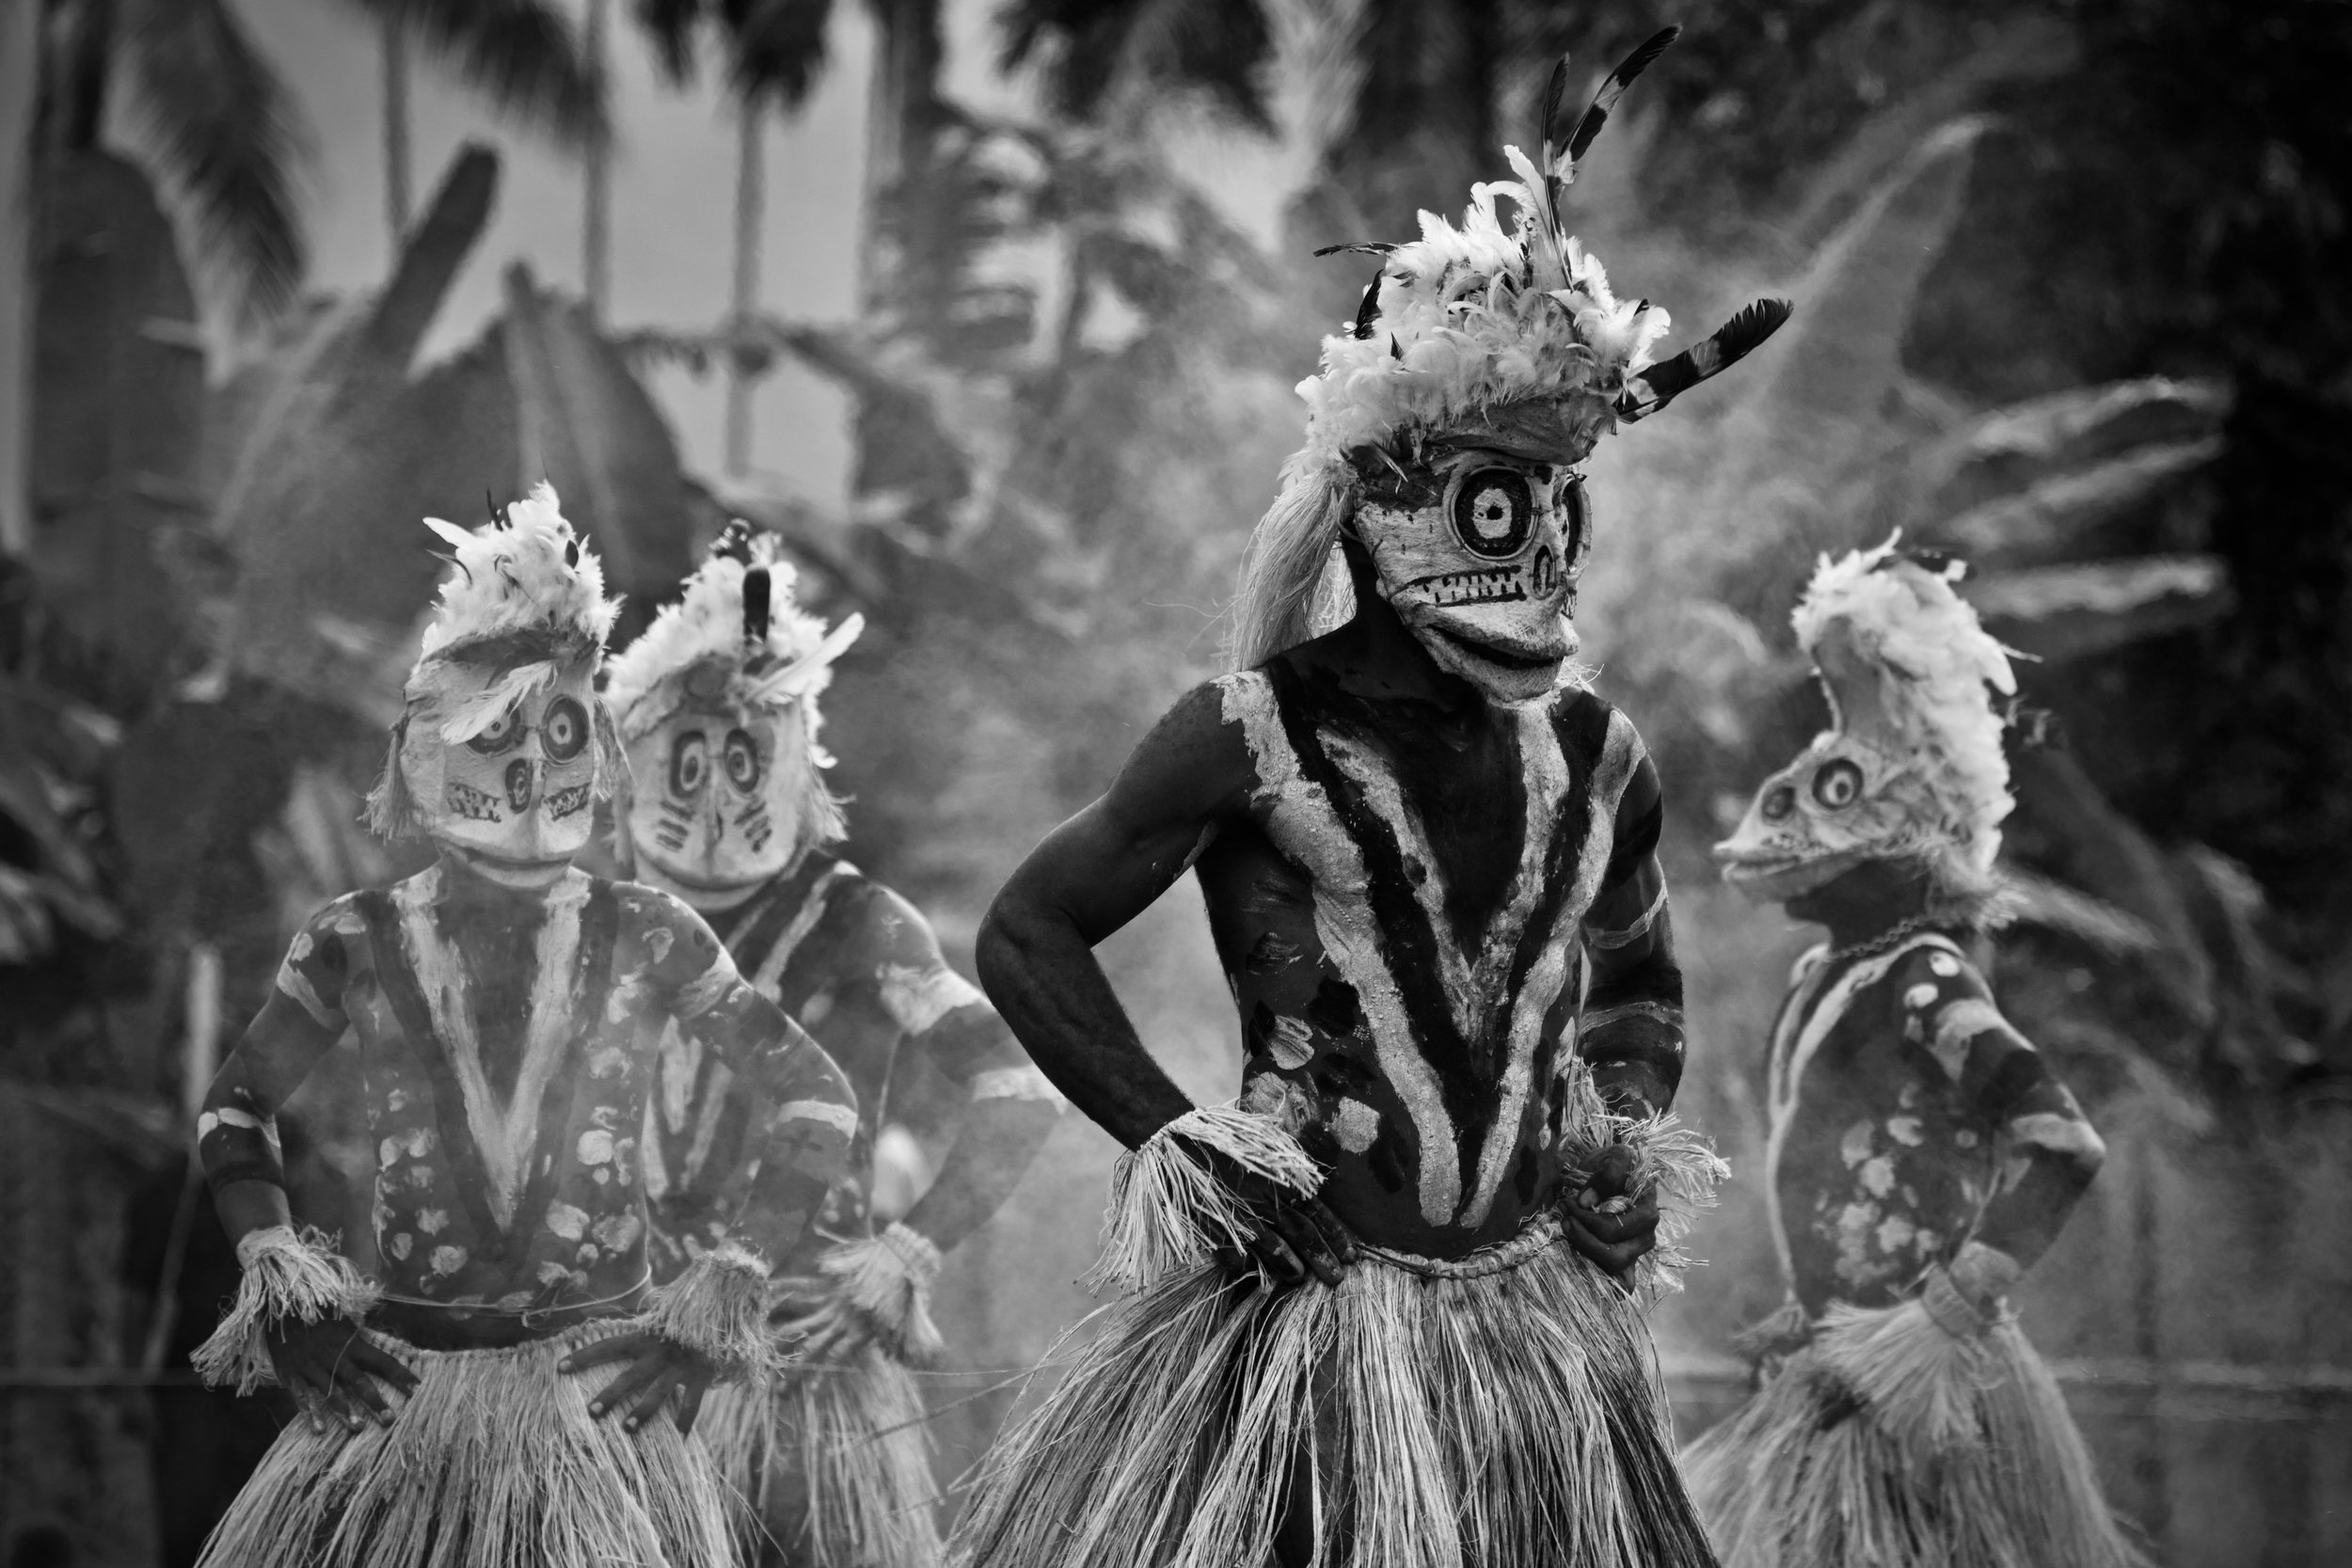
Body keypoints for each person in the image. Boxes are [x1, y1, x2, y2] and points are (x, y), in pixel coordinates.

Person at [953, 30, 1789, 1568]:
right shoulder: (1247, 733)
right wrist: (1181, 1142)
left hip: (1537, 1348)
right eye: (1497, 498)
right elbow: (1026, 931)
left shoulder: (1598, 757)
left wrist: (1618, 1145)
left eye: (1556, 501)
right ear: (1381, 498)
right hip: (1306, 1340)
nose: (1539, 545)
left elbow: (1639, 990)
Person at [187, 486, 860, 1568]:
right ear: (422, 753)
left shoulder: (650, 931)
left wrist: (724, 1290)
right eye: (496, 731)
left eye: (561, 730)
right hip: (405, 1402)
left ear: (599, 752)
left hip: (595, 1418)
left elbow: (815, 1096)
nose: (532, 765)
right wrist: (278, 1275)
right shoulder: (353, 937)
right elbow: (235, 1103)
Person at [600, 526, 1064, 1568]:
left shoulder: (857, 921)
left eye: (742, 757)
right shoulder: (597, 919)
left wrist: (904, 1254)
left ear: (789, 760)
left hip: (801, 1369)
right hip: (620, 1366)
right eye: (685, 756)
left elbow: (1018, 1087)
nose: (712, 793)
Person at [1687, 538, 2147, 1567]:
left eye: (1838, 796)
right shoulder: (1829, 974)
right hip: (1841, 1371)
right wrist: (1812, 1316)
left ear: (1902, 847)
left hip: (1922, 1392)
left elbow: (2063, 1142)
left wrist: (1941, 1313)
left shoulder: (1924, 976)